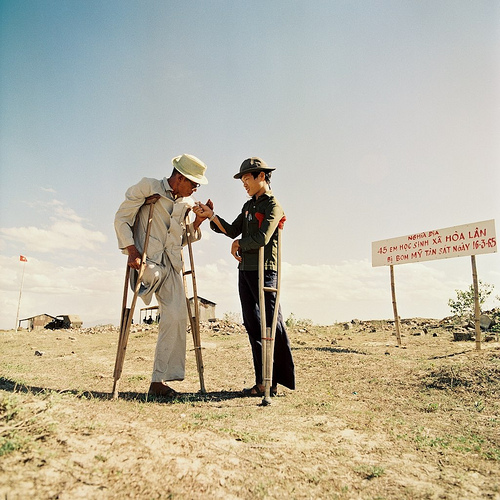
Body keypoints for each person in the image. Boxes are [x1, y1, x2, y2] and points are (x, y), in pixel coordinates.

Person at [114, 154, 212, 398]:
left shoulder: (184, 203)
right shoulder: (149, 186)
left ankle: (159, 381)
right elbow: (121, 219)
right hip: (146, 262)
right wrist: (132, 251)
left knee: (179, 316)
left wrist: (197, 222)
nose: (195, 188)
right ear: (179, 178)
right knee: (152, 276)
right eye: (193, 183)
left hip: (171, 265)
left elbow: (181, 239)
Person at [196, 157, 295, 396]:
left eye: (247, 179)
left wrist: (239, 243)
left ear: (261, 176)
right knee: (252, 325)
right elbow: (231, 230)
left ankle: (279, 378)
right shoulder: (249, 206)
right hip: (246, 271)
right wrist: (212, 216)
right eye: (242, 181)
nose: (244, 185)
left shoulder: (273, 206)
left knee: (272, 325)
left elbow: (262, 238)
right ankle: (262, 382)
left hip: (266, 271)